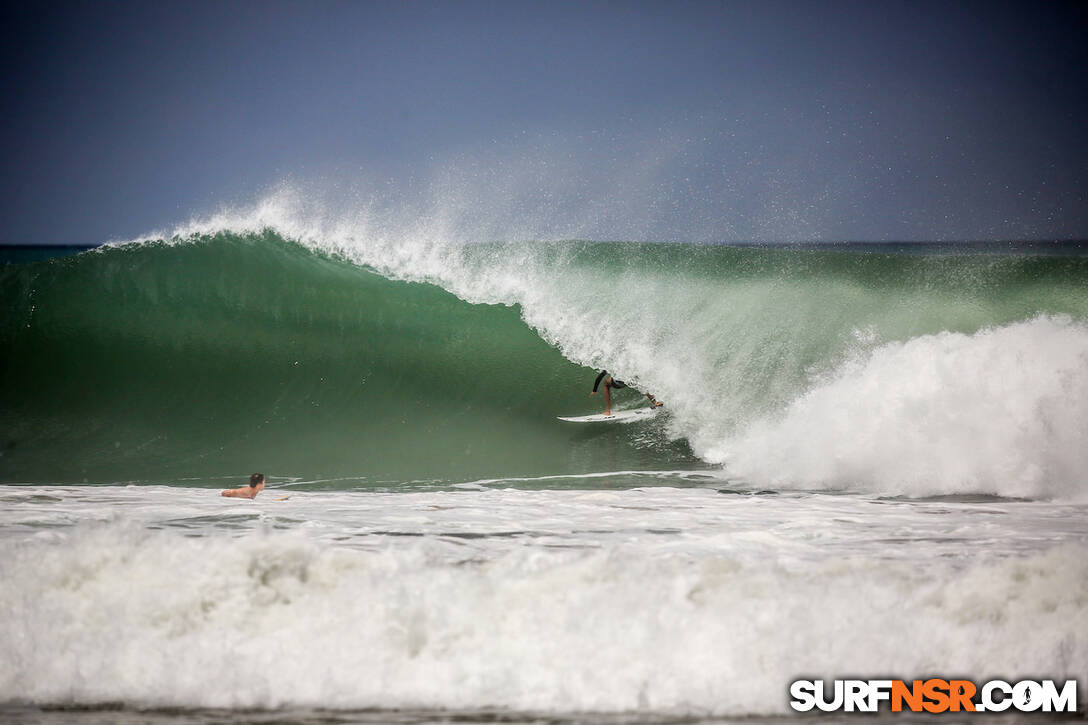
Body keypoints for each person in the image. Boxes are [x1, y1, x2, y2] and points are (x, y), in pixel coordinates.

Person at [590, 370, 662, 415]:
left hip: (618, 383)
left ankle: (608, 410)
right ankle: (655, 402)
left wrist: (594, 390)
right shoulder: (627, 361)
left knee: (606, 383)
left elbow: (600, 376)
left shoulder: (611, 363)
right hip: (628, 380)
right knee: (639, 385)